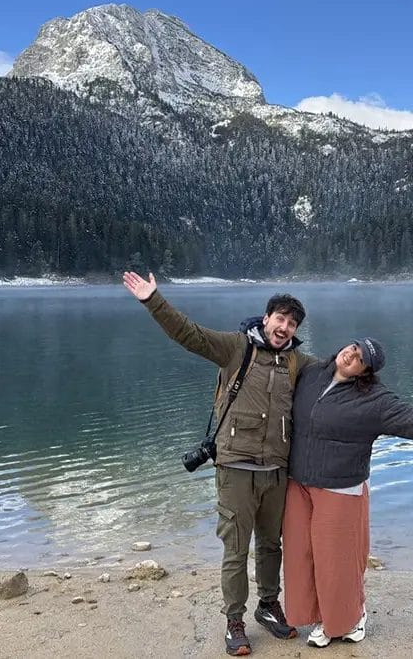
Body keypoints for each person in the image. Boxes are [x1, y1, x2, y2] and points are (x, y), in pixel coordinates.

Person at [122, 271, 315, 657]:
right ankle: (234, 621)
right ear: (266, 319)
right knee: (235, 550)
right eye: (280, 318)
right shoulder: (235, 348)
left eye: (292, 323)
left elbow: (334, 376)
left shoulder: (297, 362)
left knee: (271, 546)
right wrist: (152, 300)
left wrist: (362, 368)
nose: (285, 327)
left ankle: (268, 606)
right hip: (236, 469)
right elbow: (188, 333)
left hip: (276, 472)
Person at [282, 337, 413, 647]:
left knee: (336, 559)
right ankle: (318, 614)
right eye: (352, 347)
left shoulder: (375, 401)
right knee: (301, 554)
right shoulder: (312, 374)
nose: (351, 355)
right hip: (299, 482)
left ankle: (348, 620)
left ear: (365, 371)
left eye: (360, 358)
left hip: (340, 486)